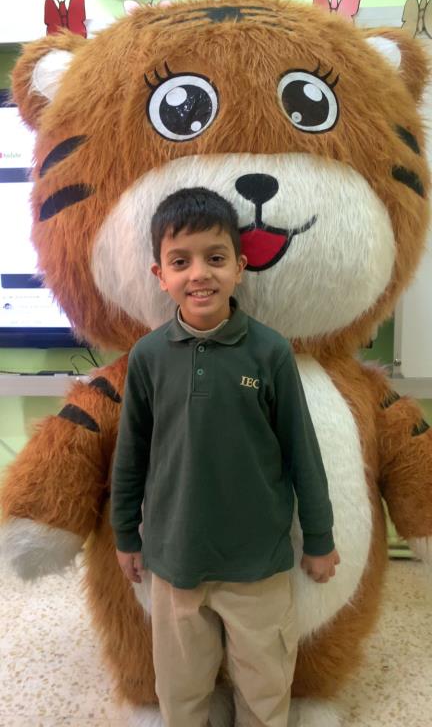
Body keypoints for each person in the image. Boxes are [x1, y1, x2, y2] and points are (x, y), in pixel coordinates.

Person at [110, 187, 340, 727]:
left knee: (265, 688)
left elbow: (302, 450)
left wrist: (320, 537)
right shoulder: (147, 357)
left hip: (257, 564)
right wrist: (125, 534)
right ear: (159, 274)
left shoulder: (270, 351)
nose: (199, 274)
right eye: (180, 262)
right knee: (181, 690)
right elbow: (131, 454)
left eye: (215, 258)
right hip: (174, 561)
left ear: (239, 267)